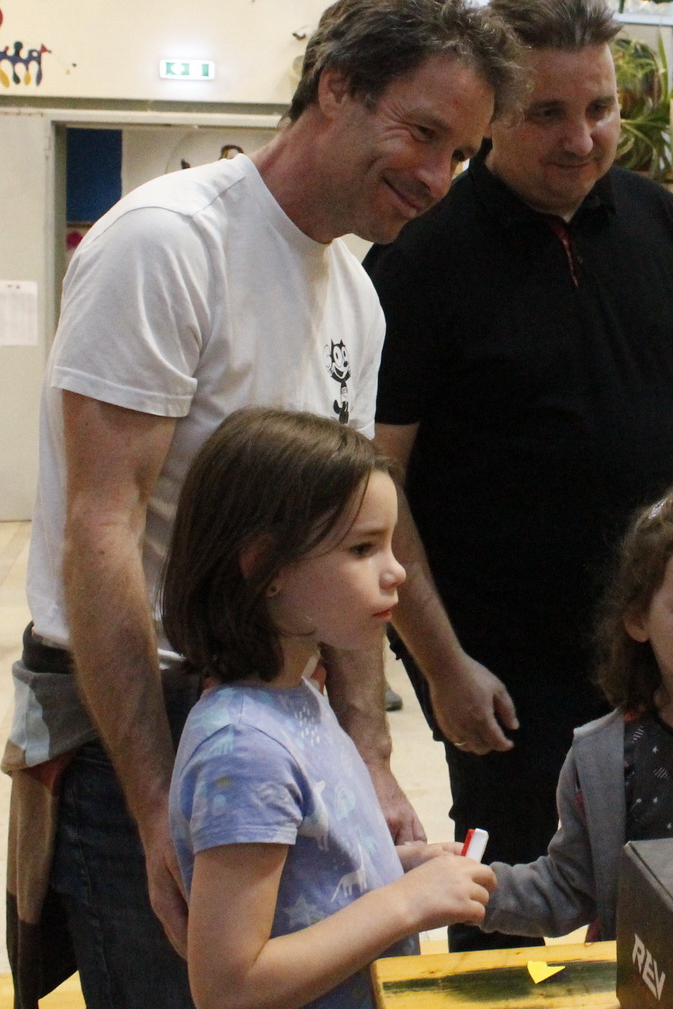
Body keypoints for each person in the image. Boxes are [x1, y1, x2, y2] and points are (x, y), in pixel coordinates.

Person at [7, 0, 518, 1009]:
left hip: (281, 700)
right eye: (422, 134)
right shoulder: (169, 244)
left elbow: (352, 543)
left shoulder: (356, 297)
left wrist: (368, 753)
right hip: (143, 711)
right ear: (335, 87)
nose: (436, 177)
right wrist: (158, 803)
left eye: (461, 155)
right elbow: (100, 528)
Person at [362, 0, 673, 952]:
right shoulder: (423, 254)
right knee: (500, 897)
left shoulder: (656, 219)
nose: (582, 138)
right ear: (491, 117)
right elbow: (378, 477)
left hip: (663, 637)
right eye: (548, 114)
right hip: (503, 664)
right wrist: (442, 664)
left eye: (600, 108)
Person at [163, 408, 495, 1009]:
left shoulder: (299, 698)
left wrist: (398, 867)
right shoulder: (245, 749)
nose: (397, 571)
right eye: (363, 548)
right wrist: (403, 904)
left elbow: (306, 880)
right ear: (265, 567)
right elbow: (230, 985)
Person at [480, 476, 673, 941]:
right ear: (637, 619)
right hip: (642, 973)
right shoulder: (603, 757)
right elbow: (568, 886)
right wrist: (477, 891)